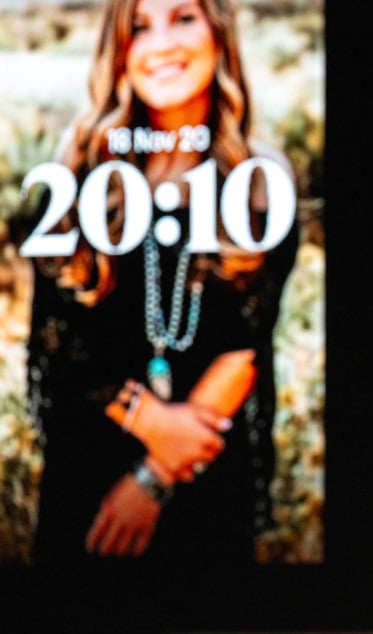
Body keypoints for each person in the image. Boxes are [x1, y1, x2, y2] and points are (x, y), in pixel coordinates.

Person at [27, 0, 297, 571]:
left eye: (183, 18)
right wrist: (148, 423)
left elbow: (244, 350)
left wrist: (151, 481)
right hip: (89, 472)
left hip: (205, 470)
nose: (162, 45)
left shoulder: (260, 180)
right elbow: (57, 340)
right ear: (117, 49)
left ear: (217, 30)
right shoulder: (76, 168)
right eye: (139, 28)